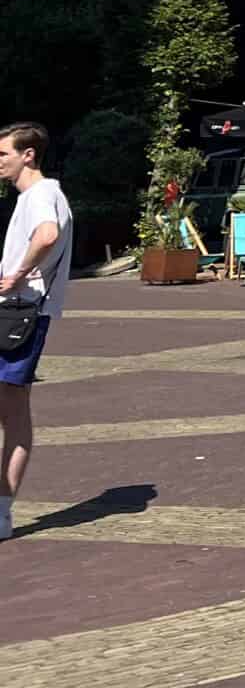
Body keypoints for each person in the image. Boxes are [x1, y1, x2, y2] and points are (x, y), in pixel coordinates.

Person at [0, 123, 70, 540]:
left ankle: (2, 512)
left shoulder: (42, 194)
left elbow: (48, 234)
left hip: (18, 315)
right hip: (19, 313)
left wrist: (17, 274)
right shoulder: (38, 196)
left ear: (28, 155)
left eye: (2, 154)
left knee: (13, 411)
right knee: (12, 411)